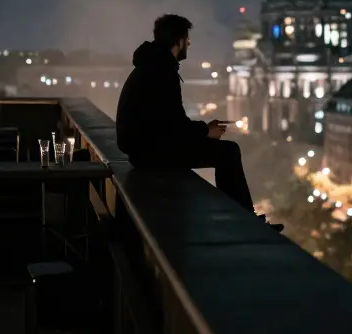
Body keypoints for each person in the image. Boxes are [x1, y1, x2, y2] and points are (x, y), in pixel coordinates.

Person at [116, 14, 282, 231]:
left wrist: (203, 129)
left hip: (144, 148)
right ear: (178, 41)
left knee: (225, 151)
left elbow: (167, 121)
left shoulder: (151, 65)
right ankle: (245, 222)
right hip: (150, 153)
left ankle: (243, 217)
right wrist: (205, 131)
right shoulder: (163, 71)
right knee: (228, 152)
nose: (189, 44)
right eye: (187, 39)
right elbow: (172, 126)